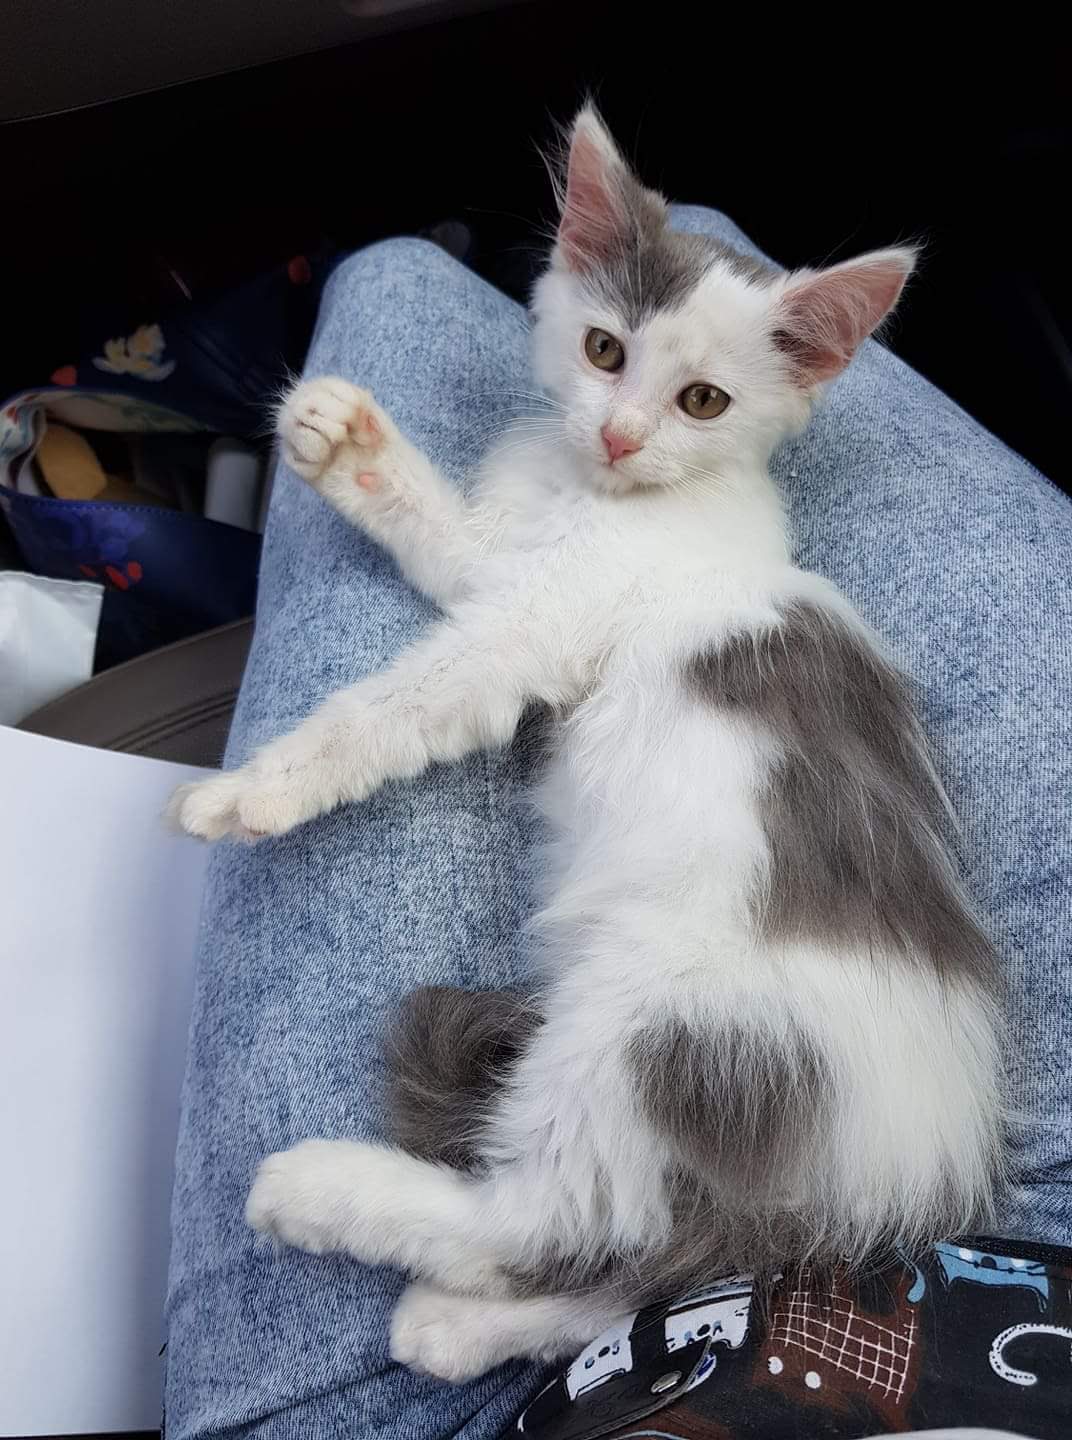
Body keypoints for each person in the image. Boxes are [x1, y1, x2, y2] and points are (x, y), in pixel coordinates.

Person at [163, 205, 1072, 1440]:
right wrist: (392, 489)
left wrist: (298, 771)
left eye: (695, 401)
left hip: (794, 1037)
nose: (623, 428)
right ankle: (601, 1282)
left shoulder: (700, 541)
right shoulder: (708, 547)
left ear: (797, 383)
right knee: (652, 246)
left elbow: (504, 652)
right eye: (605, 356)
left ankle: (509, 1235)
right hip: (946, 1187)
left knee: (395, 276)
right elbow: (520, 606)